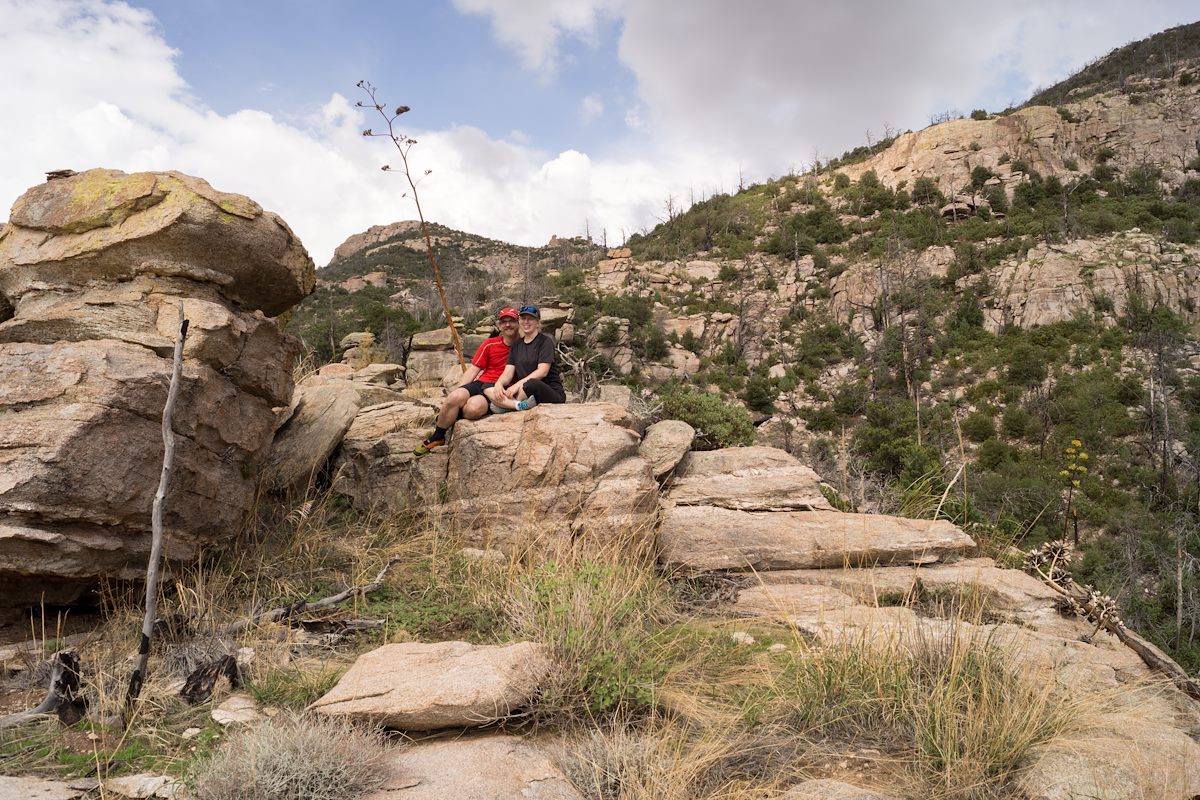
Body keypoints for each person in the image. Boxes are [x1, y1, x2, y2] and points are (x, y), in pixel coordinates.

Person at [413, 307, 520, 457]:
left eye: (511, 321)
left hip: (502, 390)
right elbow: (473, 370)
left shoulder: (524, 345)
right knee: (454, 397)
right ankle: (438, 436)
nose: (508, 325)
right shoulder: (490, 344)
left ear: (518, 322)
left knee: (473, 410)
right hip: (482, 383)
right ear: (500, 325)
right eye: (504, 322)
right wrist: (460, 390)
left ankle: (450, 416)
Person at [487, 304, 566, 412]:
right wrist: (499, 383)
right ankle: (517, 404)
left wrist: (516, 386)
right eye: (523, 318)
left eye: (530, 319)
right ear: (519, 321)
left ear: (537, 322)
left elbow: (542, 372)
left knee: (532, 383)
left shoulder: (545, 342)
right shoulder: (516, 346)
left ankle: (509, 406)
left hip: (550, 392)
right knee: (487, 386)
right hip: (526, 392)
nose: (526, 322)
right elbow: (508, 373)